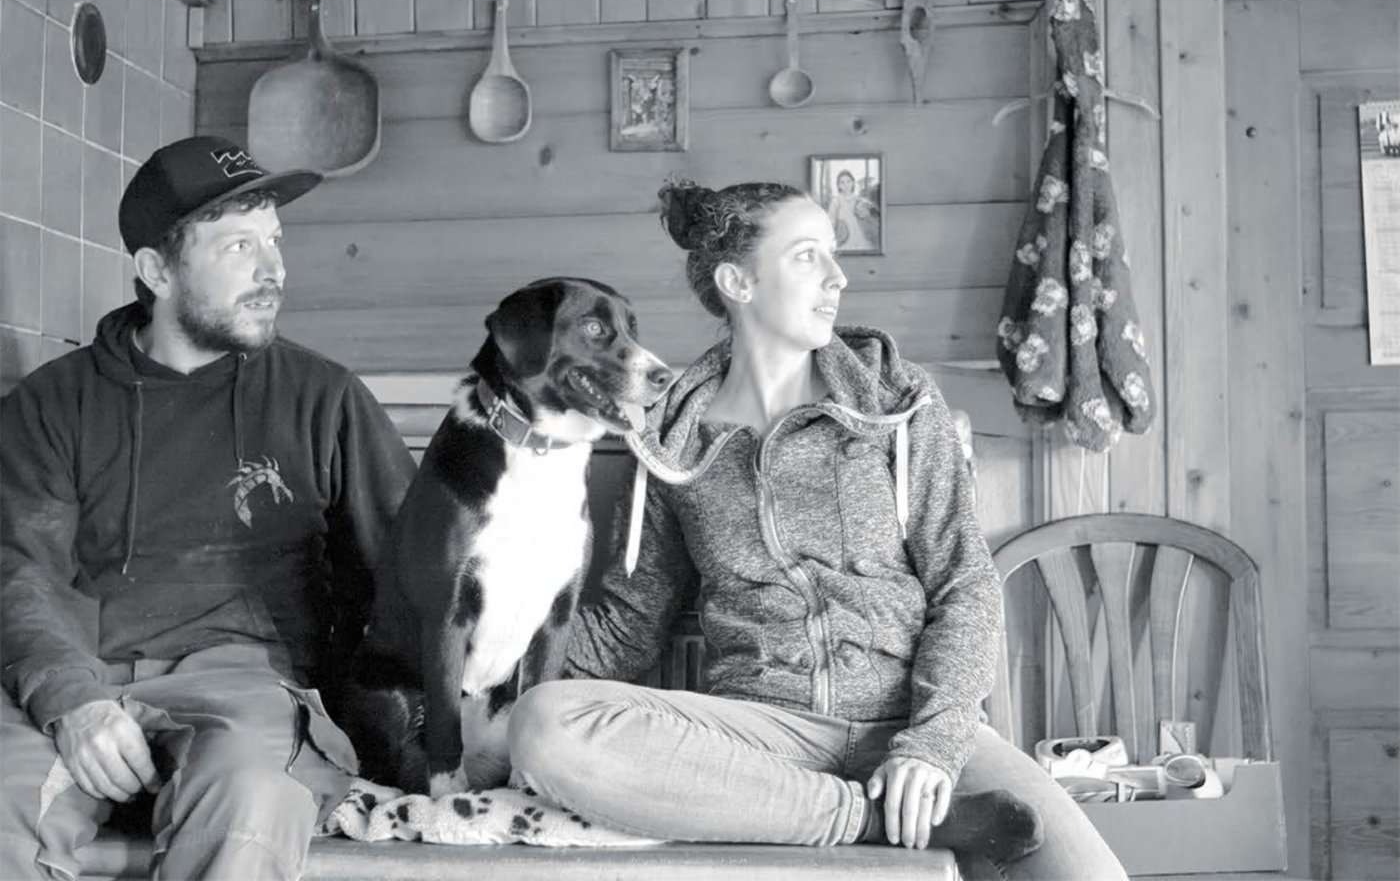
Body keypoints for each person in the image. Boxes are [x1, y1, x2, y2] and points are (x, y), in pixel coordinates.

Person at [507, 180, 1127, 880]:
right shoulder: (672, 443)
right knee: (546, 727)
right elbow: (627, 625)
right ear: (738, 281)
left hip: (915, 723)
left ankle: (899, 805)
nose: (837, 278)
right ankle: (861, 820)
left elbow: (965, 582)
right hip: (761, 744)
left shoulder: (895, 403)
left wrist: (931, 745)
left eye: (833, 256)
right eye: (808, 257)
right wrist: (492, 674)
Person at [0, 135, 416, 880]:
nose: (274, 270)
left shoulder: (323, 400)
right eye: (237, 247)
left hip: (247, 690)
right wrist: (73, 700)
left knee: (251, 800)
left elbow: (408, 575)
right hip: (80, 674)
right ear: (157, 270)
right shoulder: (52, 404)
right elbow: (19, 572)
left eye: (274, 242)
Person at [826, 169, 879, 251]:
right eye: (842, 182)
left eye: (848, 181)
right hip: (843, 237)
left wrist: (864, 212)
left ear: (853, 183)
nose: (846, 185)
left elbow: (867, 215)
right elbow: (831, 221)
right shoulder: (836, 201)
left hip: (859, 235)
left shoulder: (859, 200)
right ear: (838, 185)